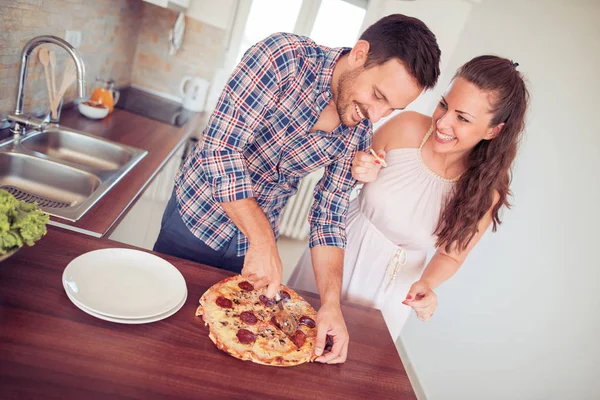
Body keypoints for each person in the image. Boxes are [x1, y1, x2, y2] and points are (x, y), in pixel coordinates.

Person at [153, 14, 441, 364]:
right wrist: (263, 241)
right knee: (162, 335)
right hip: (196, 222)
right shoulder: (282, 59)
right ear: (360, 54)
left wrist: (331, 305)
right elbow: (220, 150)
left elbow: (329, 218)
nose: (376, 115)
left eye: (391, 108)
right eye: (377, 95)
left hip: (252, 250)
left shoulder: (358, 130)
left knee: (213, 360)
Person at [289, 55, 529, 341]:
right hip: (337, 253)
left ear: (494, 130)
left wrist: (427, 283)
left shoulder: (485, 191)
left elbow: (451, 256)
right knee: (294, 334)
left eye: (462, 118)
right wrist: (360, 167)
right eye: (443, 105)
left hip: (392, 289)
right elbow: (345, 173)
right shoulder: (406, 126)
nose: (443, 122)